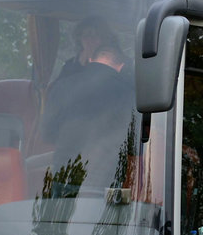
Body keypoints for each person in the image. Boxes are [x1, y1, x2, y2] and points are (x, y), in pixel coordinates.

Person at [40, 45, 134, 195]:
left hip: (63, 173)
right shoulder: (130, 94)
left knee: (58, 217)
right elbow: (134, 144)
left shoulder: (61, 86)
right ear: (121, 66)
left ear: (90, 60)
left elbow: (46, 133)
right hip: (104, 179)